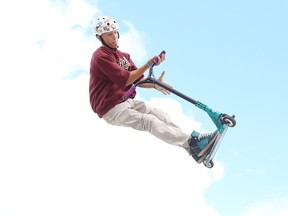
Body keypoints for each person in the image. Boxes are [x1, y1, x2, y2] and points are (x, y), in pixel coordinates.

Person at [89, 16, 217, 163]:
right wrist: (148, 64)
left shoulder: (123, 56)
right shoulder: (100, 57)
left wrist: (155, 85)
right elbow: (125, 79)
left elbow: (138, 80)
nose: (114, 37)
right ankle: (191, 143)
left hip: (126, 101)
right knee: (148, 121)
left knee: (160, 114)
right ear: (100, 37)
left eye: (115, 32)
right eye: (109, 34)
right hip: (110, 108)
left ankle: (193, 148)